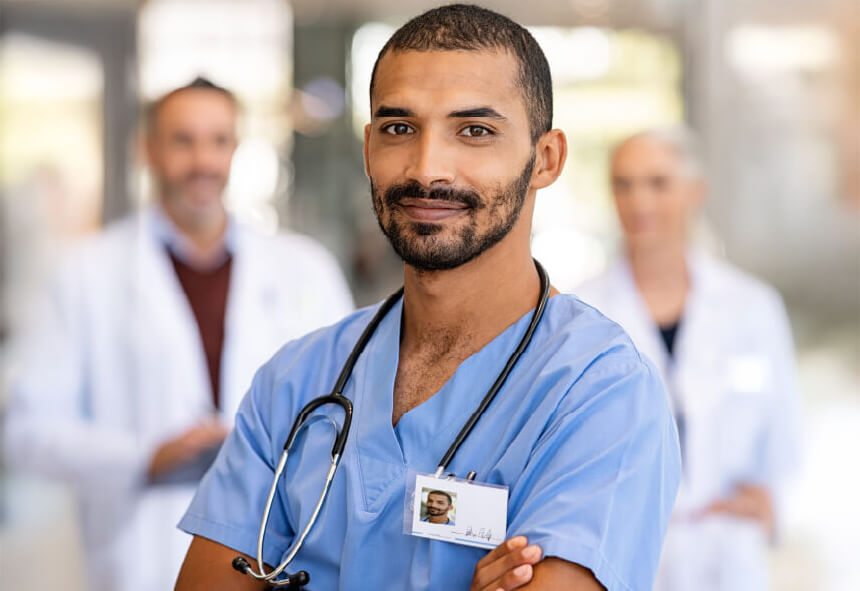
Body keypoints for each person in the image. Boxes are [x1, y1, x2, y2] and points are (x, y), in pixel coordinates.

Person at [176, 6, 681, 591]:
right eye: (398, 128)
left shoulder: (601, 392)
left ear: (546, 159)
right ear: (368, 148)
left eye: (475, 131)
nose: (427, 167)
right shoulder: (297, 380)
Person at [2, 78, 354, 591]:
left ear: (235, 149)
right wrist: (145, 455)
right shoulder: (87, 274)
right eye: (182, 140)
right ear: (148, 148)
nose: (202, 162)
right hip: (139, 553)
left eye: (218, 141)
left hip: (279, 546)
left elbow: (348, 413)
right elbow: (28, 432)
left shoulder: (305, 268)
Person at [575, 127, 802, 591]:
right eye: (624, 183)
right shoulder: (582, 315)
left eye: (657, 183)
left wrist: (772, 502)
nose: (639, 201)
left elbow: (785, 431)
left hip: (729, 550)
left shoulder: (751, 307)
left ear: (695, 192)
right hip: (623, 550)